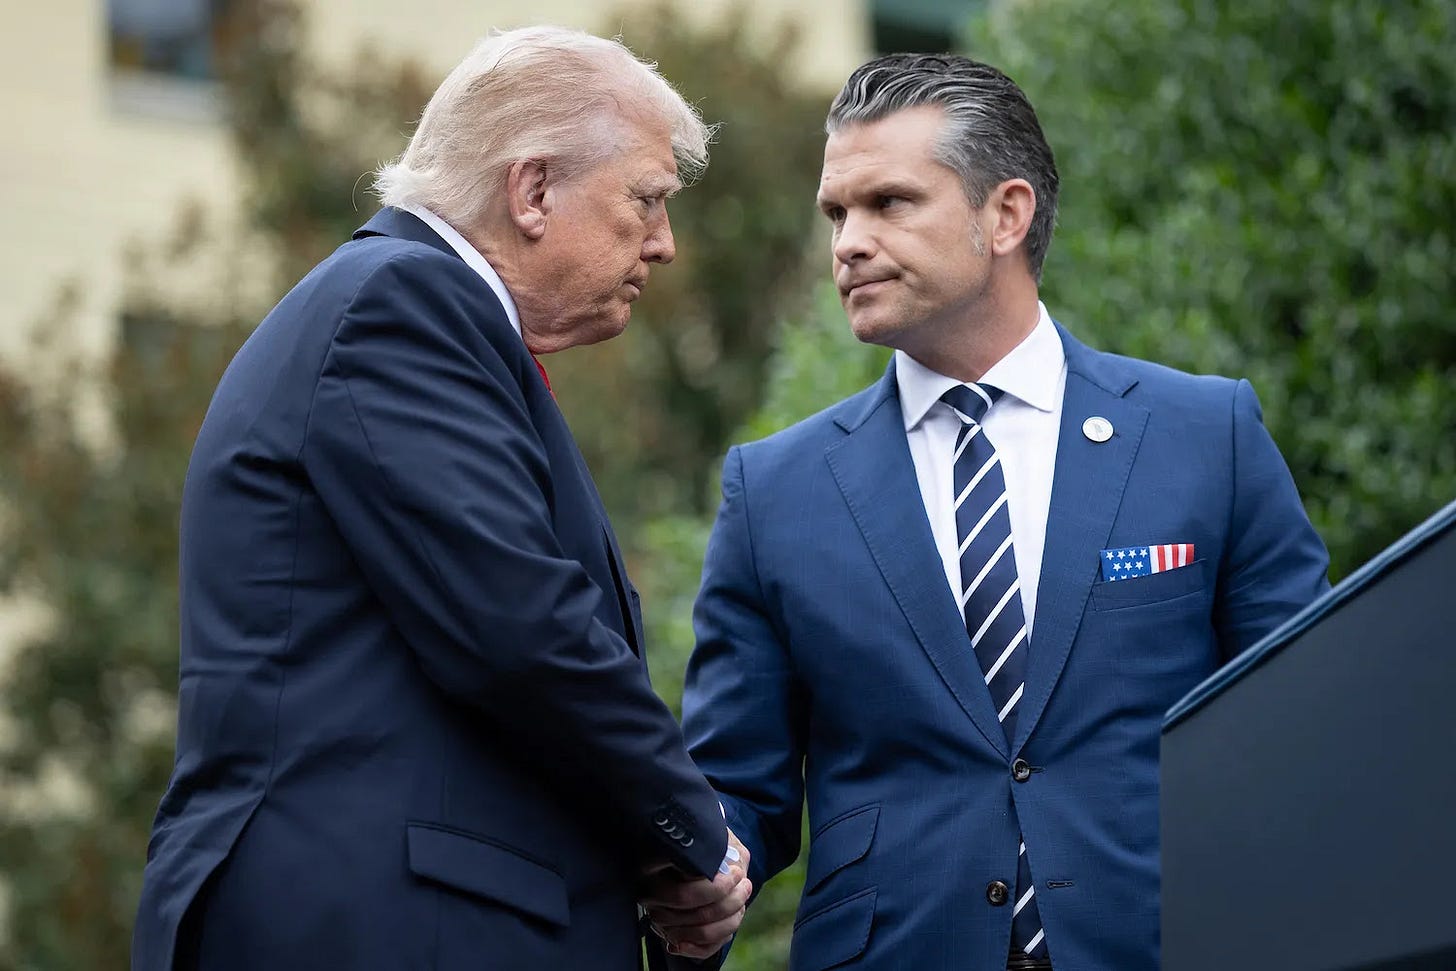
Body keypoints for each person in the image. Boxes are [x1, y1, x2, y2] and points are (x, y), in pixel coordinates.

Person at [675, 53, 1330, 971]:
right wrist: (697, 873)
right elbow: (734, 783)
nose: (848, 242)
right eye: (836, 212)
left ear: (1006, 214)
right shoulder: (773, 489)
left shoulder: (1205, 434)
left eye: (889, 202)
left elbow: (1306, 722)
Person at [132, 26, 749, 971]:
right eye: (647, 199)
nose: (663, 244)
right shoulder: (402, 304)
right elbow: (520, 628)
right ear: (533, 189)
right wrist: (698, 840)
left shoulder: (411, 312)